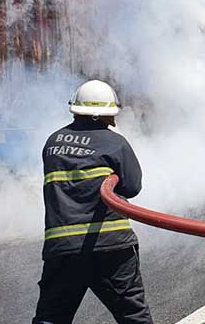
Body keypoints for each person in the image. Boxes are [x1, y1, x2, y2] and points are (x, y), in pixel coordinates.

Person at [33, 79, 153, 324]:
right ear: (103, 115)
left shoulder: (53, 143)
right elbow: (132, 187)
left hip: (63, 250)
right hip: (110, 247)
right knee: (134, 317)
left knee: (50, 319)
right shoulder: (114, 143)